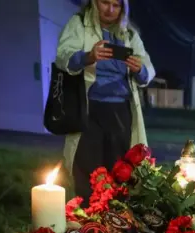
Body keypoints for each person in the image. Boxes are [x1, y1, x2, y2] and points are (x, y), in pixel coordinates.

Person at [56, 0, 155, 202]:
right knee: (87, 167)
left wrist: (139, 69)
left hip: (120, 111)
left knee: (120, 168)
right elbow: (63, 56)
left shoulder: (129, 34)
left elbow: (147, 70)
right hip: (89, 108)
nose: (110, 10)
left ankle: (114, 220)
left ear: (123, 8)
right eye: (104, 2)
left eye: (116, 5)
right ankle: (87, 218)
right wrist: (88, 57)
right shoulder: (79, 24)